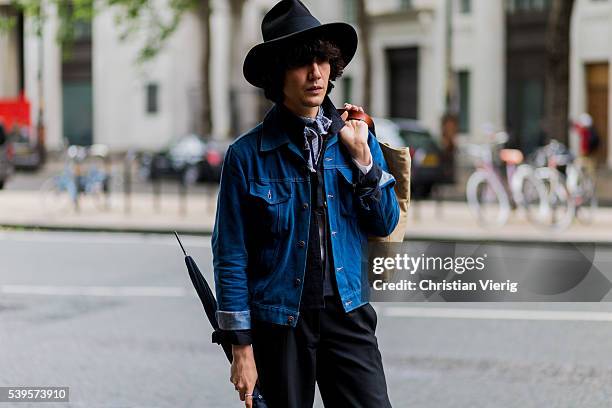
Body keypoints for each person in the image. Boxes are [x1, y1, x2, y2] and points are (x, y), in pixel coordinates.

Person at [212, 1, 399, 407]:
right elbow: (230, 254)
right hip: (280, 323)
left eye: (322, 60)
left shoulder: (357, 136)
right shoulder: (247, 156)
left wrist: (364, 161)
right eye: (301, 63)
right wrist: (241, 347)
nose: (315, 73)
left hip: (348, 312)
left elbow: (385, 222)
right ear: (278, 73)